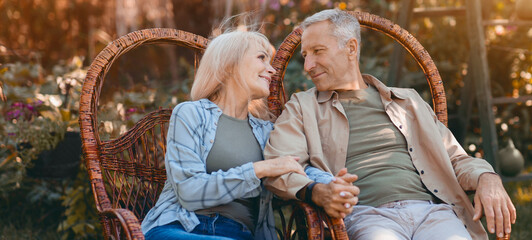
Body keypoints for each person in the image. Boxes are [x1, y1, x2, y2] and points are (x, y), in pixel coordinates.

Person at [264, 9, 516, 240]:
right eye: (305, 55)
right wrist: (318, 192)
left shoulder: (407, 101)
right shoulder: (302, 107)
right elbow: (279, 167)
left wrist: (487, 176)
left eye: (318, 51)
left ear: (351, 48)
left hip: (432, 213)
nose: (308, 66)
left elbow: (455, 159)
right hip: (367, 217)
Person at [141, 29, 306, 240]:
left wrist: (331, 186)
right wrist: (259, 169)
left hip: (239, 233)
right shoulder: (190, 114)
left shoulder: (267, 131)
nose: (271, 70)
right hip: (179, 228)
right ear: (229, 64)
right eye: (261, 58)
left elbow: (300, 166)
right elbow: (189, 192)